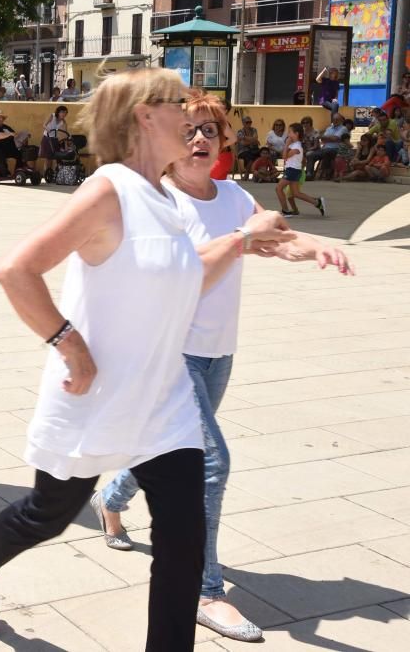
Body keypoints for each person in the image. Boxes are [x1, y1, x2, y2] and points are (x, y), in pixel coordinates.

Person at [0, 69, 296, 646]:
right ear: (145, 115)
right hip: (97, 398)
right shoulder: (109, 189)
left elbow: (189, 281)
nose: (191, 113)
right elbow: (16, 269)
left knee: (183, 544)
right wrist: (70, 344)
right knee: (48, 514)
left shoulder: (165, 196)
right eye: (178, 102)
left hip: (165, 406)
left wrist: (243, 240)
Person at [94, 90, 352, 644]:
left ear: (224, 142)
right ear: (166, 140)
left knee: (170, 451)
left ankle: (111, 499)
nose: (198, 140)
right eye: (187, 130)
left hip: (217, 354)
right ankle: (207, 591)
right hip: (167, 354)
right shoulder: (156, 199)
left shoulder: (232, 196)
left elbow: (276, 240)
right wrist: (248, 240)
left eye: (210, 131)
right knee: (210, 466)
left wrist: (314, 248)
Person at [276, 123, 325, 217]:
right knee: (296, 193)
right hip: (294, 170)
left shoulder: (296, 147)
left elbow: (284, 157)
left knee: (278, 189)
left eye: (290, 132)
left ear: (296, 133)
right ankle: (317, 202)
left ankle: (285, 211)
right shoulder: (294, 145)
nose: (288, 134)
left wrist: (286, 144)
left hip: (292, 170)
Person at [306, 112, 346, 180]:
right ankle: (309, 174)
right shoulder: (329, 128)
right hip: (325, 148)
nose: (335, 121)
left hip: (336, 149)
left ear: (341, 120)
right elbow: (323, 140)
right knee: (310, 154)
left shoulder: (343, 128)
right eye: (334, 119)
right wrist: (330, 138)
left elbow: (335, 138)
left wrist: (328, 138)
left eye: (337, 119)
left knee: (327, 152)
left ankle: (325, 173)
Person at [38, 105, 69, 177]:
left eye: (65, 113)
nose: (64, 114)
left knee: (55, 157)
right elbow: (44, 125)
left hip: (54, 139)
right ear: (58, 112)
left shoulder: (63, 122)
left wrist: (67, 142)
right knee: (48, 158)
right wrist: (47, 129)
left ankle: (53, 174)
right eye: (62, 112)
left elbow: (65, 132)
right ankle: (46, 174)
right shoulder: (52, 116)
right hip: (47, 138)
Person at [235, 116, 260, 180]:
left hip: (254, 149)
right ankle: (247, 174)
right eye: (247, 122)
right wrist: (254, 140)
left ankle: (258, 174)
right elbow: (243, 143)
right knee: (250, 156)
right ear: (243, 123)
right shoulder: (240, 131)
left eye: (250, 122)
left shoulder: (254, 129)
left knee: (263, 154)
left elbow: (255, 138)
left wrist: (245, 138)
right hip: (243, 150)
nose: (249, 123)